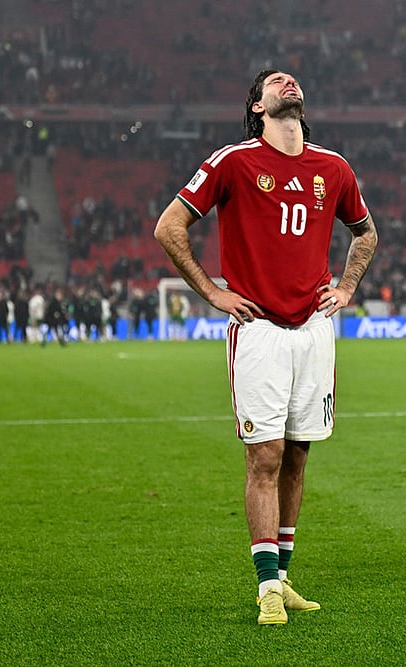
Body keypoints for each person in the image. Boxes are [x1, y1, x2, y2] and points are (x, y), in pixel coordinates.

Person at [154, 69, 378, 625]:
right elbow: (169, 226)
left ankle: (283, 576)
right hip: (258, 330)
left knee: (299, 454)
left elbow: (366, 232)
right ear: (258, 105)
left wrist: (346, 287)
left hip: (313, 330)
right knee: (265, 456)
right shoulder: (233, 160)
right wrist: (210, 290)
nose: (288, 82)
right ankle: (265, 589)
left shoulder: (334, 168)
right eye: (275, 81)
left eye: (292, 78)